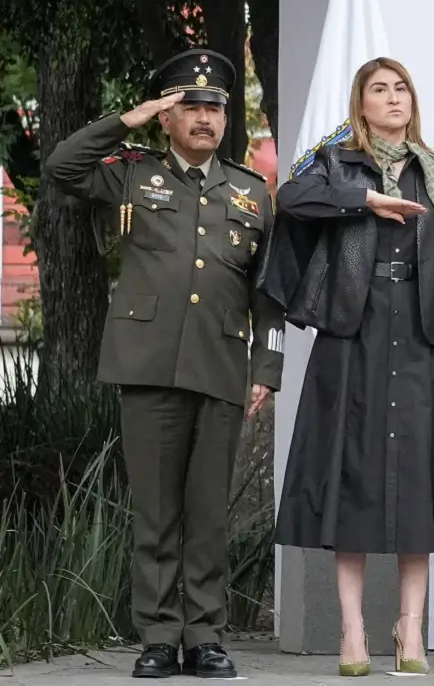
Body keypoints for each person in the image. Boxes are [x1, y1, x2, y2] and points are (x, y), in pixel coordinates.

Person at [43, 48, 283, 679]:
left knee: (207, 514)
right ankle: (157, 636)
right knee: (155, 511)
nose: (205, 118)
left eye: (215, 109)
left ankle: (205, 636)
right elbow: (62, 165)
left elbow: (269, 293)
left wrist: (267, 369)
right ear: (168, 119)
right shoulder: (129, 174)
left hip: (222, 364)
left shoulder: (253, 192)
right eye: (190, 108)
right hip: (147, 364)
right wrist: (129, 118)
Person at [256, 57, 434, 677]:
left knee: (419, 484)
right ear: (360, 105)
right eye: (379, 90)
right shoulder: (337, 162)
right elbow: (290, 196)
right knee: (352, 483)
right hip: (353, 334)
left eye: (401, 89)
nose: (393, 99)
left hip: (425, 338)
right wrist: (364, 199)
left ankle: (410, 629)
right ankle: (353, 631)